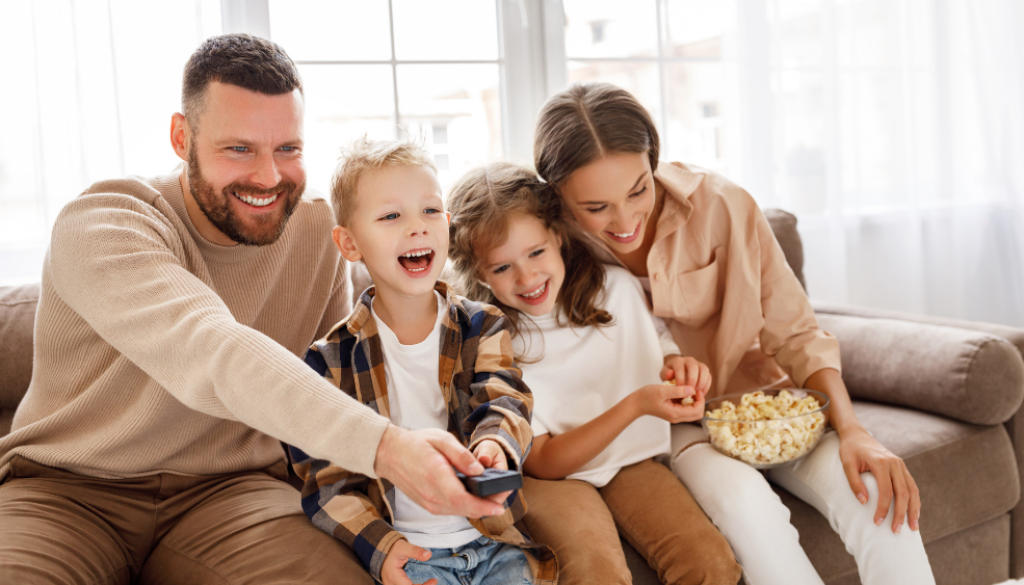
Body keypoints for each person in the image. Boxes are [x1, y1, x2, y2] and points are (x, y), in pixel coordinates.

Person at [0, 34, 507, 584]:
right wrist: (388, 449)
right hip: (69, 491)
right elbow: (209, 347)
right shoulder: (104, 221)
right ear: (181, 137)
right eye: (238, 149)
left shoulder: (316, 231)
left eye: (287, 148)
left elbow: (331, 389)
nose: (268, 177)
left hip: (234, 493)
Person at [529, 81, 936, 585]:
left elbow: (797, 332)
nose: (626, 218)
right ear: (559, 198)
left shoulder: (722, 206)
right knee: (748, 508)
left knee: (874, 490)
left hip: (761, 404)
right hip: (671, 434)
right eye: (596, 207)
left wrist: (854, 430)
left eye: (639, 189)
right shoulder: (546, 254)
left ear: (653, 161)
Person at [446, 162, 741, 585]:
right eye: (502, 267)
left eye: (536, 252)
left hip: (632, 463)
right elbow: (546, 462)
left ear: (558, 237)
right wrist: (638, 404)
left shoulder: (618, 291)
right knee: (595, 574)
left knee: (709, 563)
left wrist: (680, 367)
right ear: (478, 274)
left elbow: (660, 349)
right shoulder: (491, 340)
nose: (527, 277)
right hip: (551, 480)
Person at [291, 140, 557, 585]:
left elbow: (504, 400)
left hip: (492, 543)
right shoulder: (328, 362)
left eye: (431, 211)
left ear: (447, 227)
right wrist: (382, 545)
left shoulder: (483, 327)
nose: (417, 228)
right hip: (411, 552)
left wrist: (495, 448)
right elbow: (325, 479)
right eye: (392, 216)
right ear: (349, 243)